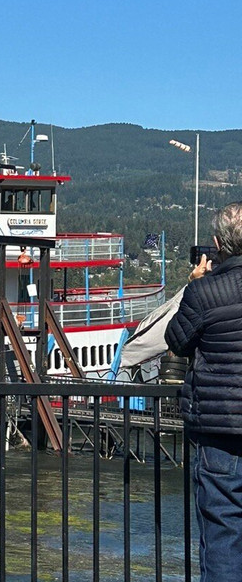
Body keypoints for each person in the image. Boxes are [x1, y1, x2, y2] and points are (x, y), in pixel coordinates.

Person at [165, 202, 242, 581]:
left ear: (217, 245)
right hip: (220, 429)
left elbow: (176, 340)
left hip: (220, 431)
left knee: (222, 534)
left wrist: (194, 285)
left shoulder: (205, 293)